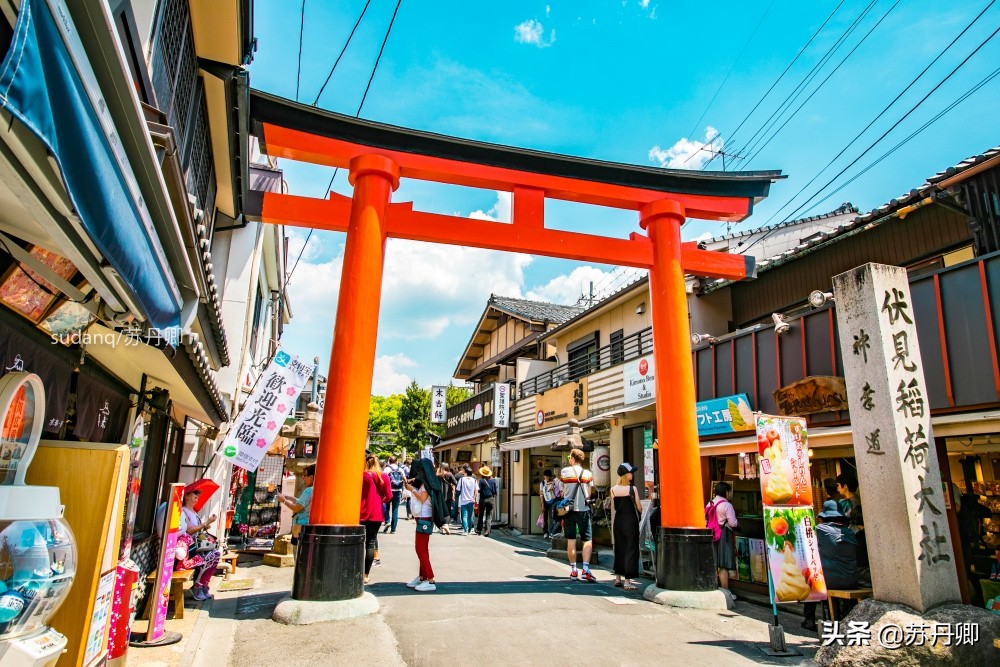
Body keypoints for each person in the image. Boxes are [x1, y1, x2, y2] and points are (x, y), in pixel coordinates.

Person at [802, 500, 859, 631]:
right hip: (851, 580)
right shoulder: (850, 532)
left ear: (824, 516)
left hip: (828, 581)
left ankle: (809, 618)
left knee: (810, 580)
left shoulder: (819, 530)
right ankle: (845, 618)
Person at [178, 484, 221, 601]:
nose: (197, 496)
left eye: (198, 494)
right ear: (186, 496)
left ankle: (204, 584)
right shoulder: (183, 511)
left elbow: (198, 529)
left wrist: (205, 526)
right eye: (195, 493)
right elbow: (189, 529)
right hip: (189, 548)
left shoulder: (195, 512)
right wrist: (205, 523)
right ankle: (197, 586)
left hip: (197, 545)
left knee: (216, 555)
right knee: (210, 556)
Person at [406, 458, 442, 592]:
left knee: (421, 549)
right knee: (422, 549)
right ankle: (422, 577)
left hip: (424, 518)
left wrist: (412, 489)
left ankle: (430, 579)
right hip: (422, 518)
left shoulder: (427, 483)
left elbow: (422, 497)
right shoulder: (427, 481)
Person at [560, 448, 596, 582]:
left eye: (570, 456)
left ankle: (573, 570)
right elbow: (590, 492)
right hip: (583, 510)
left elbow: (563, 489)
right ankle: (585, 569)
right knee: (587, 539)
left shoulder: (565, 472)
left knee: (571, 540)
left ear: (573, 458)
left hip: (568, 510)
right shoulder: (587, 473)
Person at [610, 463, 643, 590]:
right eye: (631, 472)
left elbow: (615, 507)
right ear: (626, 474)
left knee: (619, 548)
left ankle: (618, 578)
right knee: (631, 548)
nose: (632, 474)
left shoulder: (613, 489)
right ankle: (627, 581)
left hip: (618, 521)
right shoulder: (632, 489)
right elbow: (639, 507)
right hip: (630, 521)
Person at [361, 453, 391, 583]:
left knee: (357, 543)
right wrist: (380, 500)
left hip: (360, 512)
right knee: (370, 543)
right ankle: (366, 574)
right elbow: (389, 496)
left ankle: (355, 570)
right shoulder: (383, 476)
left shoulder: (362, 475)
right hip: (376, 513)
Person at [707, 481, 738, 595]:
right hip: (724, 534)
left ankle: (713, 587)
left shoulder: (710, 503)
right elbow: (733, 523)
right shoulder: (727, 505)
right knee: (723, 564)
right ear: (726, 492)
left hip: (711, 534)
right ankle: (726, 592)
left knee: (714, 562)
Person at [276, 464, 315, 547]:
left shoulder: (309, 491)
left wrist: (284, 501)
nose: (303, 478)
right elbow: (303, 503)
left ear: (311, 477)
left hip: (300, 528)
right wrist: (288, 497)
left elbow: (297, 508)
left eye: (305, 475)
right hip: (307, 526)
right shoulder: (316, 489)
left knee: (298, 555)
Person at [384, 455, 405, 534]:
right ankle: (393, 529)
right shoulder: (400, 469)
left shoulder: (387, 469)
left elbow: (383, 478)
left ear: (389, 460)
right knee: (395, 510)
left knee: (386, 507)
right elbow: (405, 479)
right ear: (397, 461)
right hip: (398, 491)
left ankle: (387, 521)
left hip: (388, 490)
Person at [456, 465, 478, 535]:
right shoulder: (474, 480)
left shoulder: (462, 479)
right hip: (471, 501)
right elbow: (476, 490)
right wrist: (474, 498)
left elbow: (458, 489)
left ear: (465, 473)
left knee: (464, 516)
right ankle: (469, 530)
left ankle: (465, 530)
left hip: (463, 501)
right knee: (470, 516)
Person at [476, 466, 498, 537]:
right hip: (490, 499)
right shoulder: (493, 481)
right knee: (489, 516)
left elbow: (479, 490)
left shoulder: (481, 481)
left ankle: (479, 529)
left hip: (483, 499)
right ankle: (487, 531)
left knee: (481, 515)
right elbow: (495, 491)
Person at [437, 462, 457, 533]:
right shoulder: (449, 474)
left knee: (441, 511)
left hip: (440, 496)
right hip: (448, 496)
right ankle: (446, 525)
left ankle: (441, 527)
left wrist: (437, 472)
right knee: (448, 512)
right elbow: (455, 483)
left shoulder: (438, 475)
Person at [539, 469, 557, 538]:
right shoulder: (542, 483)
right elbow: (541, 494)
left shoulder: (553, 482)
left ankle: (551, 532)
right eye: (546, 476)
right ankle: (545, 532)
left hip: (552, 502)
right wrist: (542, 505)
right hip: (545, 502)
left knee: (552, 517)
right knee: (544, 517)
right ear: (544, 476)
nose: (548, 478)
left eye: (549, 476)